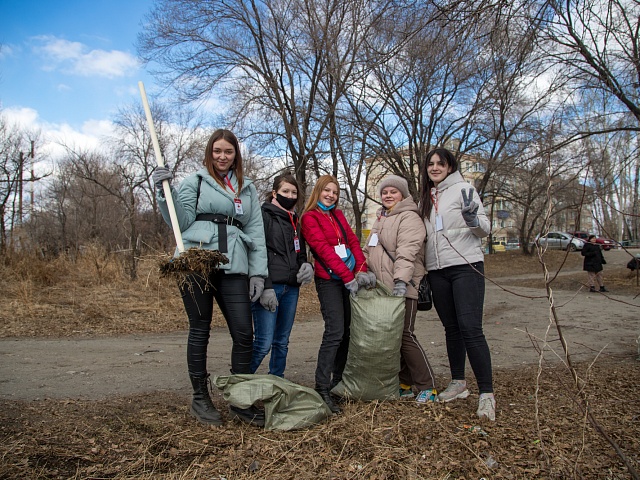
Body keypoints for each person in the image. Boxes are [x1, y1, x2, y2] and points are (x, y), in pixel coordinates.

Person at [152, 129, 268, 427]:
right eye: (217, 150)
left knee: (244, 333)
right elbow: (180, 219)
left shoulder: (248, 187)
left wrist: (259, 274)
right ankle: (200, 399)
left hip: (234, 261)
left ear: (235, 155)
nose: (222, 156)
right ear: (209, 152)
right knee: (200, 328)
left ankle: (240, 400)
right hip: (197, 259)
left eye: (228, 151)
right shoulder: (196, 181)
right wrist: (164, 193)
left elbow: (255, 231)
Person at [419, 147, 496, 421]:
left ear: (450, 166)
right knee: (451, 328)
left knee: (471, 329)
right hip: (437, 271)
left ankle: (486, 394)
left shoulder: (465, 190)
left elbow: (484, 230)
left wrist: (473, 219)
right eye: (431, 164)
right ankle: (458, 383)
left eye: (441, 163)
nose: (435, 167)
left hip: (466, 266)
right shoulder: (426, 197)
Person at [300, 175, 376, 414]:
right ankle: (322, 387)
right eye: (327, 190)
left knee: (347, 332)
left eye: (335, 192)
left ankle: (337, 382)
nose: (331, 195)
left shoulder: (338, 215)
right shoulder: (309, 217)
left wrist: (360, 270)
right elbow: (322, 249)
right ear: (318, 191)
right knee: (334, 332)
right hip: (330, 281)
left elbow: (353, 242)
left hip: (349, 279)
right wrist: (347, 276)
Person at [363, 175, 438, 403]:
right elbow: (369, 251)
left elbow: (408, 251)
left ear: (403, 195)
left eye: (393, 192)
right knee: (395, 338)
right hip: (384, 290)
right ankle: (404, 384)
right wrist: (362, 273)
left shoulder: (409, 217)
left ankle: (428, 386)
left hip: (404, 286)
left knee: (405, 335)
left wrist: (400, 282)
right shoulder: (381, 219)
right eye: (384, 192)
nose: (388, 195)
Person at [250, 173, 314, 377]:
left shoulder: (295, 220)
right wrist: (265, 285)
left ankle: (276, 383)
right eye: (285, 191)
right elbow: (257, 252)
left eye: (294, 192)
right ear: (274, 193)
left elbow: (300, 252)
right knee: (263, 343)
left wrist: (306, 265)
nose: (290, 195)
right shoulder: (263, 216)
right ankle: (239, 381)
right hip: (269, 288)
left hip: (291, 288)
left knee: (282, 342)